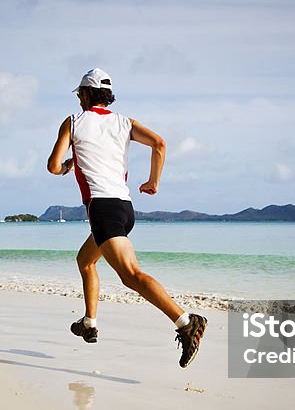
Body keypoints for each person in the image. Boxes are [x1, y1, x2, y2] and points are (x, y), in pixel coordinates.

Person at [47, 68, 207, 368]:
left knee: (131, 275)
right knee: (86, 260)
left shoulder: (72, 121)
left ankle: (187, 322)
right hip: (124, 207)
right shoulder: (125, 122)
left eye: (79, 94)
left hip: (103, 209)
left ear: (84, 94)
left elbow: (53, 167)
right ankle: (89, 323)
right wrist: (153, 182)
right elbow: (159, 144)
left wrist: (69, 165)